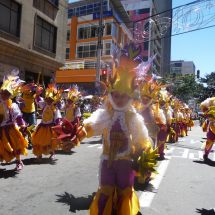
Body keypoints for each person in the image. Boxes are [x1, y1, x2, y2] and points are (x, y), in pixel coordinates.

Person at [52, 43, 159, 215]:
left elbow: (141, 138)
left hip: (125, 161)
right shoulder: (106, 114)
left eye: (124, 96)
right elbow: (91, 126)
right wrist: (76, 138)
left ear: (131, 97)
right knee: (106, 189)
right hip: (107, 161)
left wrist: (139, 155)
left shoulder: (133, 117)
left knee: (125, 189)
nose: (120, 99)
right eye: (116, 95)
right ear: (110, 94)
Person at [0, 70, 28, 170]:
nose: (3, 95)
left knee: (15, 146)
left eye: (6, 94)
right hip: (1, 129)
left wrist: (22, 126)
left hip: (11, 128)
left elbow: (18, 117)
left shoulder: (12, 105)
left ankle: (19, 162)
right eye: (2, 93)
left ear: (10, 95)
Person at [31, 79, 62, 162]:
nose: (49, 101)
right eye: (48, 100)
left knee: (51, 142)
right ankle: (39, 156)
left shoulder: (55, 108)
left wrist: (58, 126)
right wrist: (38, 91)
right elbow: (38, 99)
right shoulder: (43, 105)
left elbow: (57, 118)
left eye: (51, 100)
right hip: (42, 126)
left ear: (53, 101)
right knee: (39, 141)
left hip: (51, 127)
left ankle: (52, 153)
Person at [21, 76, 38, 149]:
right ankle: (24, 142)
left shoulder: (35, 91)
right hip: (24, 112)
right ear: (27, 83)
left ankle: (31, 142)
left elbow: (35, 102)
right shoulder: (22, 91)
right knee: (24, 128)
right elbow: (19, 101)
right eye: (30, 82)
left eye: (33, 82)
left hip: (32, 112)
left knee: (31, 128)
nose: (32, 84)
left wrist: (36, 111)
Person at [157, 90, 172, 159]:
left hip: (164, 127)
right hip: (156, 127)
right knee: (156, 139)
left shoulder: (167, 111)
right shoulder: (155, 109)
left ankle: (161, 153)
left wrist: (168, 127)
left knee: (162, 140)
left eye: (163, 102)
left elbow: (169, 119)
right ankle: (155, 152)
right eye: (160, 102)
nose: (162, 103)